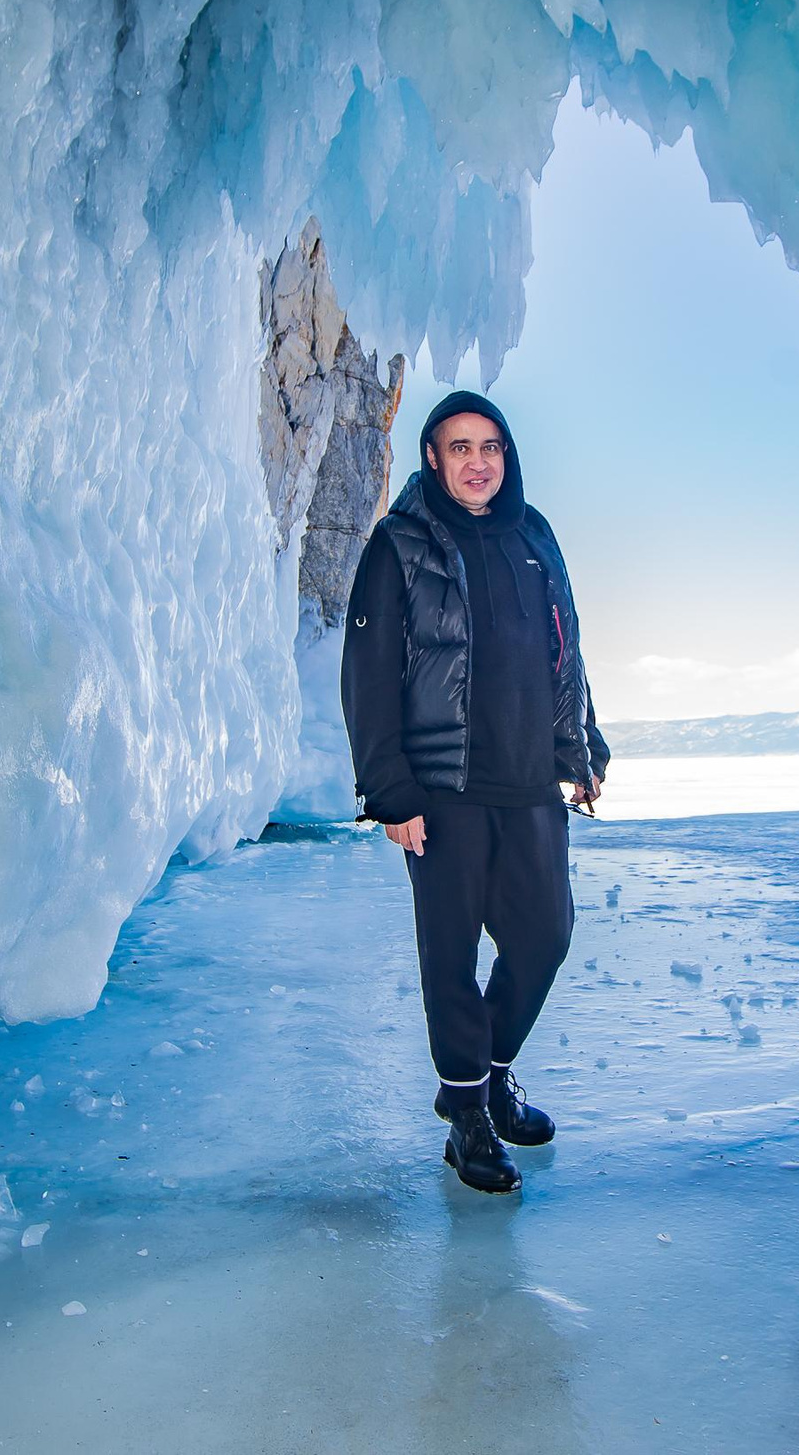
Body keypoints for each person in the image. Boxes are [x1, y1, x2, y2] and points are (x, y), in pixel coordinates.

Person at [340, 390, 611, 1194]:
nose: (477, 461)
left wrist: (583, 747)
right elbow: (367, 675)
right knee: (451, 955)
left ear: (507, 454)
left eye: (489, 446)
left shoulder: (535, 535)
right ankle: (467, 1119)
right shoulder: (400, 544)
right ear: (433, 457)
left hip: (529, 777)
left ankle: (485, 1075)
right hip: (442, 785)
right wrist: (389, 789)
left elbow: (568, 651)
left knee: (544, 937)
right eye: (459, 447)